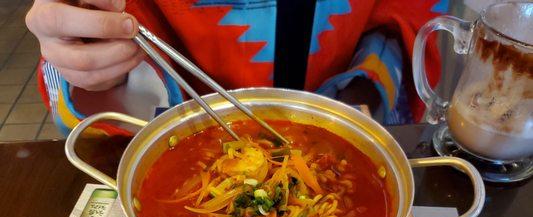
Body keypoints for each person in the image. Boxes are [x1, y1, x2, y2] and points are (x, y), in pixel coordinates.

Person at [26, 0, 444, 136]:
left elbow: (411, 14)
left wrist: (365, 95)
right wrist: (96, 56)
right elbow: (86, 25)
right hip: (167, 125)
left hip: (345, 119)